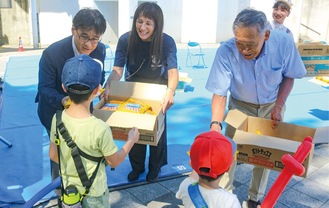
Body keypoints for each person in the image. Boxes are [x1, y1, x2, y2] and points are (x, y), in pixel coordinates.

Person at [205, 8, 306, 208]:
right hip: (240, 105)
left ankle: (255, 198)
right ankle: (225, 196)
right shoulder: (226, 50)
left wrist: (279, 105)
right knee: (231, 151)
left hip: (271, 104)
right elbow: (219, 91)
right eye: (239, 43)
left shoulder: (284, 43)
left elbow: (289, 75)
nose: (244, 50)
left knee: (264, 155)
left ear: (266, 35)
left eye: (250, 44)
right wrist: (215, 125)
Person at [49, 54, 139, 207]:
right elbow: (114, 161)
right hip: (94, 195)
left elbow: (53, 155)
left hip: (70, 192)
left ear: (64, 87)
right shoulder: (100, 128)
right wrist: (131, 141)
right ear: (97, 90)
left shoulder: (57, 119)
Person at [35, 8, 107, 197]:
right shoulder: (53, 53)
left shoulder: (100, 49)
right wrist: (65, 100)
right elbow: (43, 88)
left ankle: (84, 182)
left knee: (84, 146)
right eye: (84, 37)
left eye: (95, 38)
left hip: (84, 108)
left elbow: (100, 74)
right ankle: (59, 189)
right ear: (73, 30)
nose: (90, 44)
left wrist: (100, 90)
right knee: (58, 152)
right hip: (54, 109)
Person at [103, 2, 179, 182]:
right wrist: (109, 85)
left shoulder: (166, 42)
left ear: (157, 25)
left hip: (157, 92)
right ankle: (137, 167)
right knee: (134, 130)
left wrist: (170, 91)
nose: (142, 27)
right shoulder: (125, 40)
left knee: (157, 133)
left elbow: (173, 72)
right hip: (133, 91)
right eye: (140, 21)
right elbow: (118, 70)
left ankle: (155, 167)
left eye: (148, 23)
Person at [176, 131, 241, 208]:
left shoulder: (186, 186)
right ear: (228, 168)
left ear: (191, 164)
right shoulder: (230, 201)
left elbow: (191, 179)